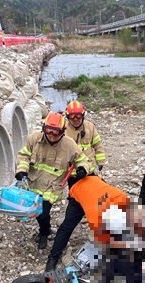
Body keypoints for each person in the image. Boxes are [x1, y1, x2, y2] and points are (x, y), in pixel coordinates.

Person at [15, 112, 92, 249]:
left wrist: (82, 169)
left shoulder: (69, 145)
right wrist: (21, 170)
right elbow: (24, 155)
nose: (51, 136)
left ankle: (44, 233)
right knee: (36, 213)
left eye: (56, 133)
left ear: (62, 132)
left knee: (43, 213)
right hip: (34, 182)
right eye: (48, 131)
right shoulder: (34, 138)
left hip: (52, 186)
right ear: (44, 128)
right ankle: (45, 228)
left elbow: (83, 160)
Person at [45, 101, 106, 271]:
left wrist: (100, 162)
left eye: (78, 116)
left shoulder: (90, 127)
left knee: (103, 216)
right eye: (72, 117)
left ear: (83, 115)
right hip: (74, 175)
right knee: (69, 222)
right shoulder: (65, 133)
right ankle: (53, 257)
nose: (76, 120)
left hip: (90, 174)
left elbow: (98, 145)